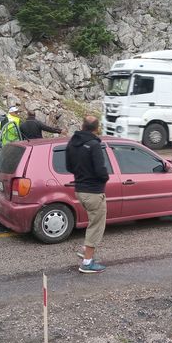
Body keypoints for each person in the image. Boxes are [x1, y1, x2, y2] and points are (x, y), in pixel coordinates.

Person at [65, 115, 109, 274]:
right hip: (93, 191)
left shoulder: (72, 142)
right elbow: (100, 170)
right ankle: (87, 262)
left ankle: (85, 250)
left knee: (92, 221)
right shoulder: (94, 145)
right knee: (96, 225)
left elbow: (69, 166)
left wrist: (81, 174)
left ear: (82, 126)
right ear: (96, 129)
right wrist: (105, 177)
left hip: (79, 190)